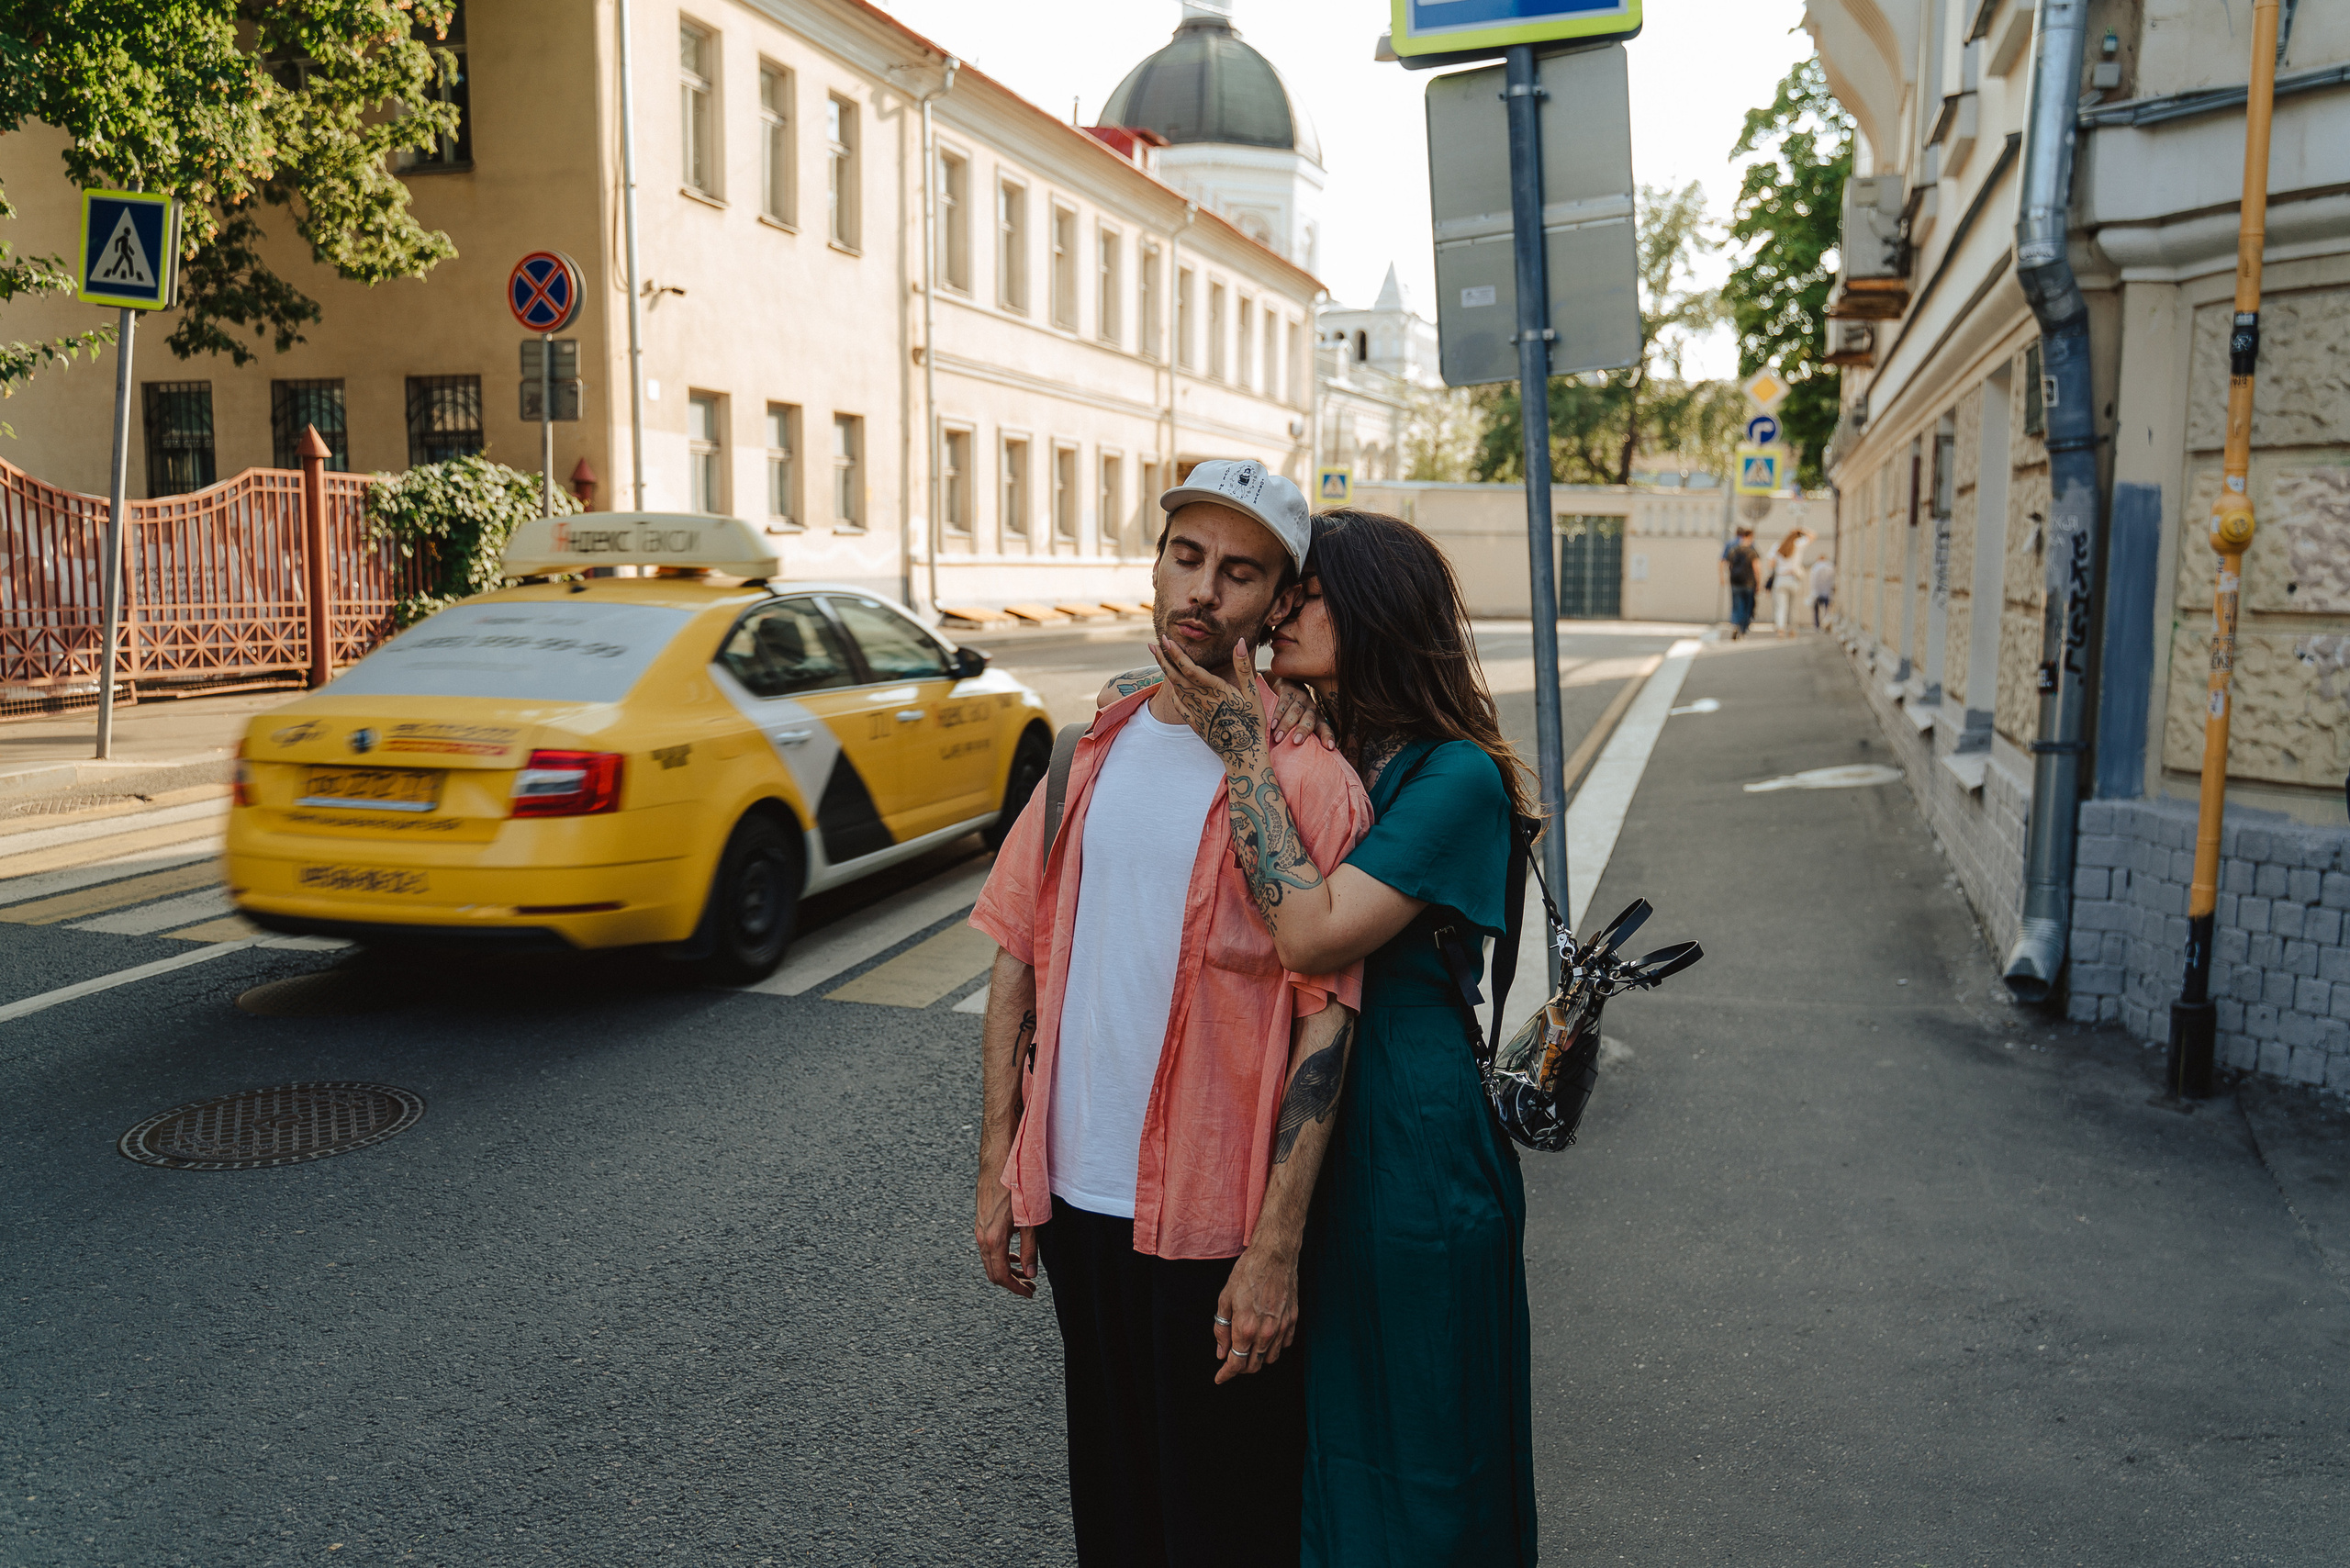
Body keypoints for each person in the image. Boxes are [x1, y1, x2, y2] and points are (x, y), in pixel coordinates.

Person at [969, 459, 1374, 1568]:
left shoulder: (1307, 780)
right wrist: (999, 1161)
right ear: (1154, 567)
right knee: (1112, 1507)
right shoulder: (1091, 748)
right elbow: (1016, 952)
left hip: (1213, 1220)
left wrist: (1276, 1248)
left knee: (1222, 1523)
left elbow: (1327, 1022)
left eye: (1238, 572)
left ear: (1277, 602)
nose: (1202, 589)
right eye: (1185, 557)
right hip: (1075, 1196)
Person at [1147, 509, 1543, 1568]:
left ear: (1374, 616)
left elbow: (1312, 932)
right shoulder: (1330, 745)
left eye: (1306, 595)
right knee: (1321, 1442)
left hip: (1405, 1137)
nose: (1278, 612)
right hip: (1311, 1124)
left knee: (1421, 1441)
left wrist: (1244, 752)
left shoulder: (1453, 776)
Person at [1766, 528, 1811, 639]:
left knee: (1781, 606)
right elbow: (1813, 536)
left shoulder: (1777, 546)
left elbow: (1771, 563)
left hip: (1781, 578)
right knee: (1793, 607)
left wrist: (1776, 569)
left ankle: (1781, 629)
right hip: (1793, 578)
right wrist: (1801, 530)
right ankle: (1792, 629)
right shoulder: (1798, 545)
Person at [1721, 524, 1760, 639]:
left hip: (1735, 580)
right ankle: (1743, 628)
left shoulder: (1732, 547)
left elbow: (1724, 562)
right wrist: (1758, 582)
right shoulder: (1752, 548)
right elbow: (1756, 567)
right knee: (1747, 605)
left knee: (1736, 604)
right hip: (1749, 581)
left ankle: (1735, 624)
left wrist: (1722, 577)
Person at [1810, 551, 1836, 631]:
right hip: (1827, 592)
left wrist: (1813, 592)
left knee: (1816, 610)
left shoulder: (1815, 567)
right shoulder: (1830, 566)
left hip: (1817, 592)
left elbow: (1813, 581)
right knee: (1827, 610)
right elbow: (1833, 579)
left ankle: (1817, 625)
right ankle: (1826, 624)